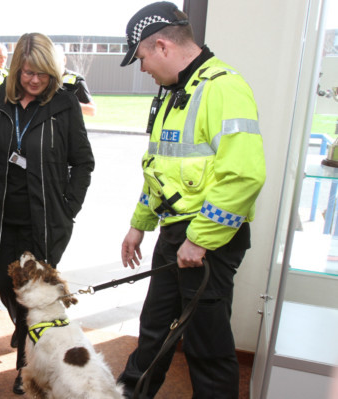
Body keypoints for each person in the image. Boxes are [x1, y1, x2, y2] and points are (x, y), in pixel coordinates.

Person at [116, 2, 266, 398]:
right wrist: (139, 225)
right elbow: (159, 171)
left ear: (163, 46)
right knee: (153, 329)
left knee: (205, 345)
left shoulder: (223, 88)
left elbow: (244, 176)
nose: (143, 68)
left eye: (143, 58)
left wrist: (198, 239)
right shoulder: (172, 93)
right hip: (174, 235)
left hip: (209, 242)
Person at [0, 32, 94, 395]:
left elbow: (83, 163)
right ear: (15, 71)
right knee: (3, 283)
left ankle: (25, 365)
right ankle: (20, 324)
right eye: (28, 73)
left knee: (35, 296)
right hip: (1, 214)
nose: (35, 80)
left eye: (42, 73)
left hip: (44, 220)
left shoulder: (64, 105)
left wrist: (68, 208)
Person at [54, 44, 97, 117]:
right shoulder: (43, 79)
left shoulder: (75, 80)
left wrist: (68, 103)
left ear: (64, 60)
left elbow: (92, 110)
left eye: (56, 61)